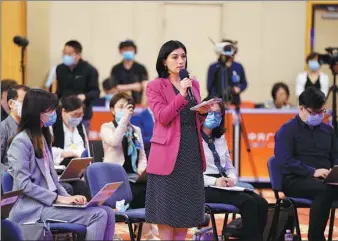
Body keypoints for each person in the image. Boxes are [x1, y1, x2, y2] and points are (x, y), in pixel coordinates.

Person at [7, 89, 115, 240]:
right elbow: (24, 185)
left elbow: (53, 181)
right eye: (50, 110)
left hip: (50, 204)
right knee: (98, 215)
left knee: (108, 212)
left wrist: (71, 199)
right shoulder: (21, 142)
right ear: (37, 111)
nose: (53, 114)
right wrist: (59, 199)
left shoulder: (43, 139)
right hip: (34, 208)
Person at [145, 40, 208, 240]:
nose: (181, 61)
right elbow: (163, 116)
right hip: (167, 154)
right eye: (175, 57)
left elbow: (194, 117)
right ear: (164, 61)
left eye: (183, 56)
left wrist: (204, 112)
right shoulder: (155, 86)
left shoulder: (193, 83)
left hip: (191, 152)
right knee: (165, 214)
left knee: (185, 214)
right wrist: (181, 94)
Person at [275, 87, 338, 241]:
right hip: (296, 179)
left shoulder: (327, 130)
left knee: (327, 187)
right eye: (314, 112)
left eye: (321, 112)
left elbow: (335, 155)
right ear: (301, 108)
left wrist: (334, 170)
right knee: (325, 190)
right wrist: (312, 172)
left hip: (327, 179)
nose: (318, 116)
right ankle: (315, 237)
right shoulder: (287, 130)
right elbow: (285, 161)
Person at [202, 97, 268, 241]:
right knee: (248, 202)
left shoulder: (220, 138)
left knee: (261, 203)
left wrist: (232, 179)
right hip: (204, 186)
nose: (214, 116)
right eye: (211, 112)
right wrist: (215, 182)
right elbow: (191, 174)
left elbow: (229, 167)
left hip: (223, 182)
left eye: (218, 113)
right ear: (202, 113)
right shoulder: (193, 138)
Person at [100, 92, 158, 239]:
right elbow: (114, 141)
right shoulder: (106, 127)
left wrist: (142, 170)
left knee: (151, 187)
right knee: (139, 191)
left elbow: (142, 156)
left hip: (133, 176)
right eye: (121, 107)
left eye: (128, 108)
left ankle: (146, 231)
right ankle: (145, 232)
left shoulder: (135, 129)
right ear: (112, 110)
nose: (126, 111)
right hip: (115, 177)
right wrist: (124, 120)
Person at [51, 95, 91, 200]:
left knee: (85, 186)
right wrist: (71, 153)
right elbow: (49, 150)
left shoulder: (80, 126)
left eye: (80, 114)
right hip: (59, 169)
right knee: (70, 188)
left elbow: (86, 147)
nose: (78, 118)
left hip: (77, 170)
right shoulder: (54, 125)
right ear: (64, 111)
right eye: (75, 114)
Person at [55, 40, 100, 131]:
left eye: (69, 54)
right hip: (64, 113)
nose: (66, 56)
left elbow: (96, 92)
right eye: (64, 53)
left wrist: (84, 96)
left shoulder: (90, 70)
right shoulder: (60, 69)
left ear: (78, 55)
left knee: (81, 142)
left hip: (82, 115)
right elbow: (59, 91)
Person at [207, 39, 247, 106]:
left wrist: (239, 88)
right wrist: (216, 100)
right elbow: (210, 86)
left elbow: (244, 83)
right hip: (217, 105)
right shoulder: (214, 67)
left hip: (234, 103)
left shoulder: (238, 66)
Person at [1, 85, 29, 172]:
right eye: (23, 102)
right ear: (11, 104)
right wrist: (10, 173)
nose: (28, 107)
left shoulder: (29, 127)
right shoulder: (3, 128)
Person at [110, 40, 148, 104]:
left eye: (130, 49)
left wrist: (122, 87)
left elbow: (144, 86)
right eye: (125, 50)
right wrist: (135, 86)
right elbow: (114, 88)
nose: (128, 51)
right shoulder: (115, 69)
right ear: (120, 51)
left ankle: (142, 107)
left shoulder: (141, 68)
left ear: (134, 51)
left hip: (138, 102)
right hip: (120, 103)